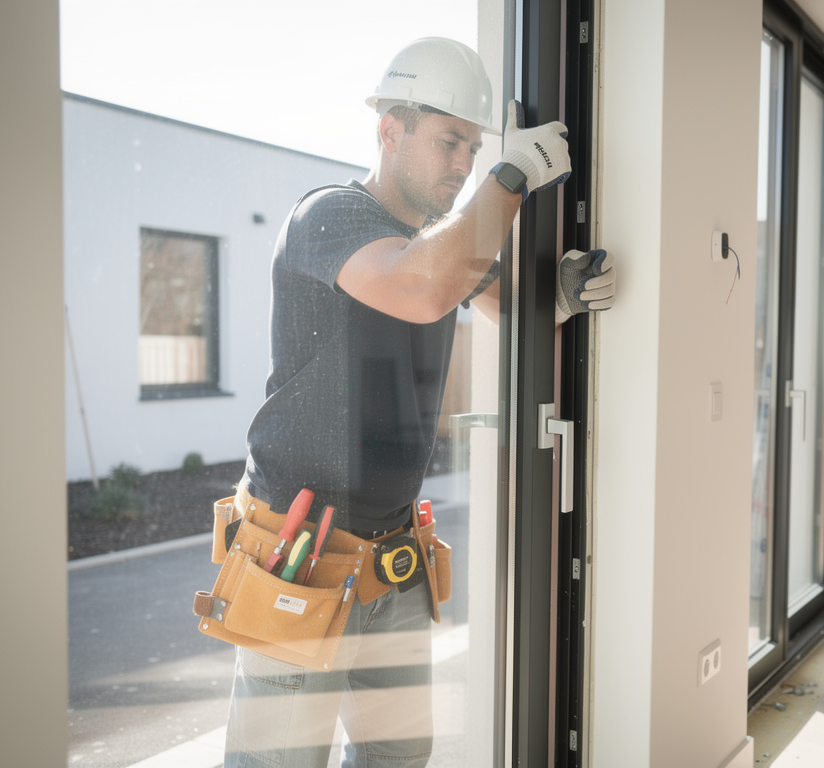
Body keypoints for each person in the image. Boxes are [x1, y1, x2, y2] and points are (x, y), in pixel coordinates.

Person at [223, 37, 615, 768]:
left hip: (390, 557)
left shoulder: (435, 243)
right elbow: (423, 285)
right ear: (389, 131)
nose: (464, 163)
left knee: (399, 759)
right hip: (298, 556)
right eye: (449, 142)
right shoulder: (329, 216)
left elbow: (509, 299)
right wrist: (511, 177)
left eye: (474, 147)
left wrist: (561, 290)